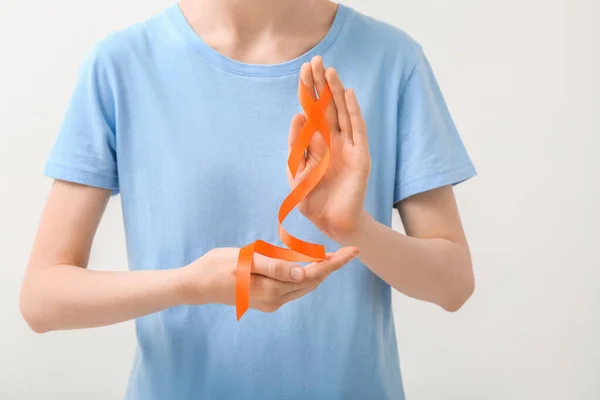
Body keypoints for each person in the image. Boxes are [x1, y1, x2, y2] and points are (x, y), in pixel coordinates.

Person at [20, 0, 477, 398]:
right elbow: (42, 298)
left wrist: (354, 227)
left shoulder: (393, 60)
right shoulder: (119, 66)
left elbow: (453, 284)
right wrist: (190, 285)